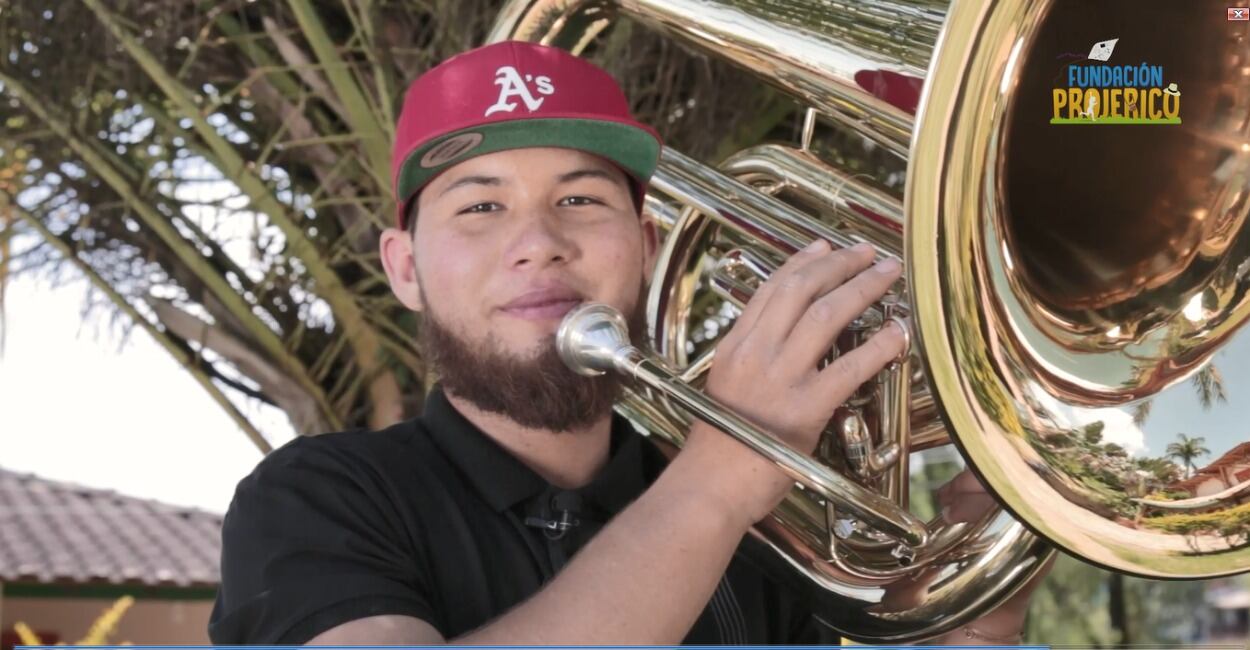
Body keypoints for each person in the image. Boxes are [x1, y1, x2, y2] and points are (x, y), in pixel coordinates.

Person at [207, 40, 1042, 644]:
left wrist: (976, 625)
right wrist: (720, 478)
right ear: (404, 268)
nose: (539, 244)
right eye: (480, 206)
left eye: (580, 200)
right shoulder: (314, 498)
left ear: (646, 249)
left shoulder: (766, 532)